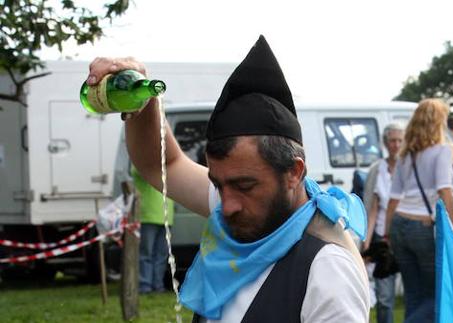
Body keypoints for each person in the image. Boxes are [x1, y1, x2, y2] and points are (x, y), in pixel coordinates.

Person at [86, 36, 369, 322]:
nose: (227, 205)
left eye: (244, 186)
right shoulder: (250, 207)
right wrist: (141, 98)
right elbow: (161, 164)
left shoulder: (328, 268)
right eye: (218, 185)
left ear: (294, 172)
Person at [384, 98, 453, 321]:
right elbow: (444, 189)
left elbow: (393, 198)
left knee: (413, 294)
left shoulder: (404, 155)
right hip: (424, 226)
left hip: (399, 225)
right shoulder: (442, 151)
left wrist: (387, 233)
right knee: (433, 294)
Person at [362, 123, 404, 323]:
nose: (396, 145)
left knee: (414, 292)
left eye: (399, 141)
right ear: (386, 143)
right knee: (385, 296)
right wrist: (367, 241)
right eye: (392, 141)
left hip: (405, 235)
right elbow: (373, 208)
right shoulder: (377, 170)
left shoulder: (409, 167)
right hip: (383, 237)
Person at [131, 165, 175, 294]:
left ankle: (157, 286)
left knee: (161, 255)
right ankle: (145, 286)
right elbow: (140, 171)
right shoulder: (141, 165)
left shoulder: (166, 168)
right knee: (146, 254)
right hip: (147, 217)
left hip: (166, 217)